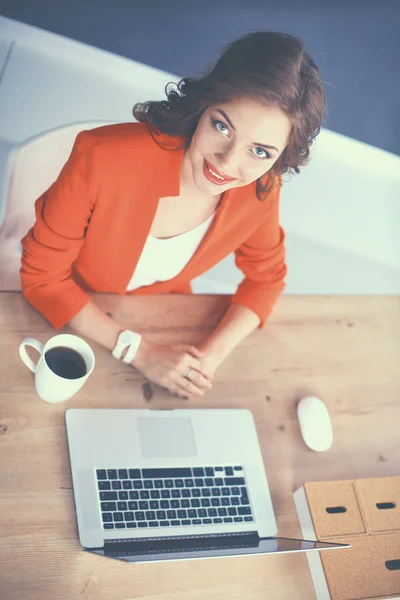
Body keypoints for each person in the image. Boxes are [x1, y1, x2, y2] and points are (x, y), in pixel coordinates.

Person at [20, 31, 325, 399]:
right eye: (222, 126)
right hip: (68, 309)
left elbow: (266, 281)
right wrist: (138, 351)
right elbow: (43, 279)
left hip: (160, 314)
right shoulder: (102, 156)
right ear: (204, 105)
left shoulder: (261, 191)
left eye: (260, 152)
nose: (228, 163)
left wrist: (205, 361)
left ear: (281, 158)